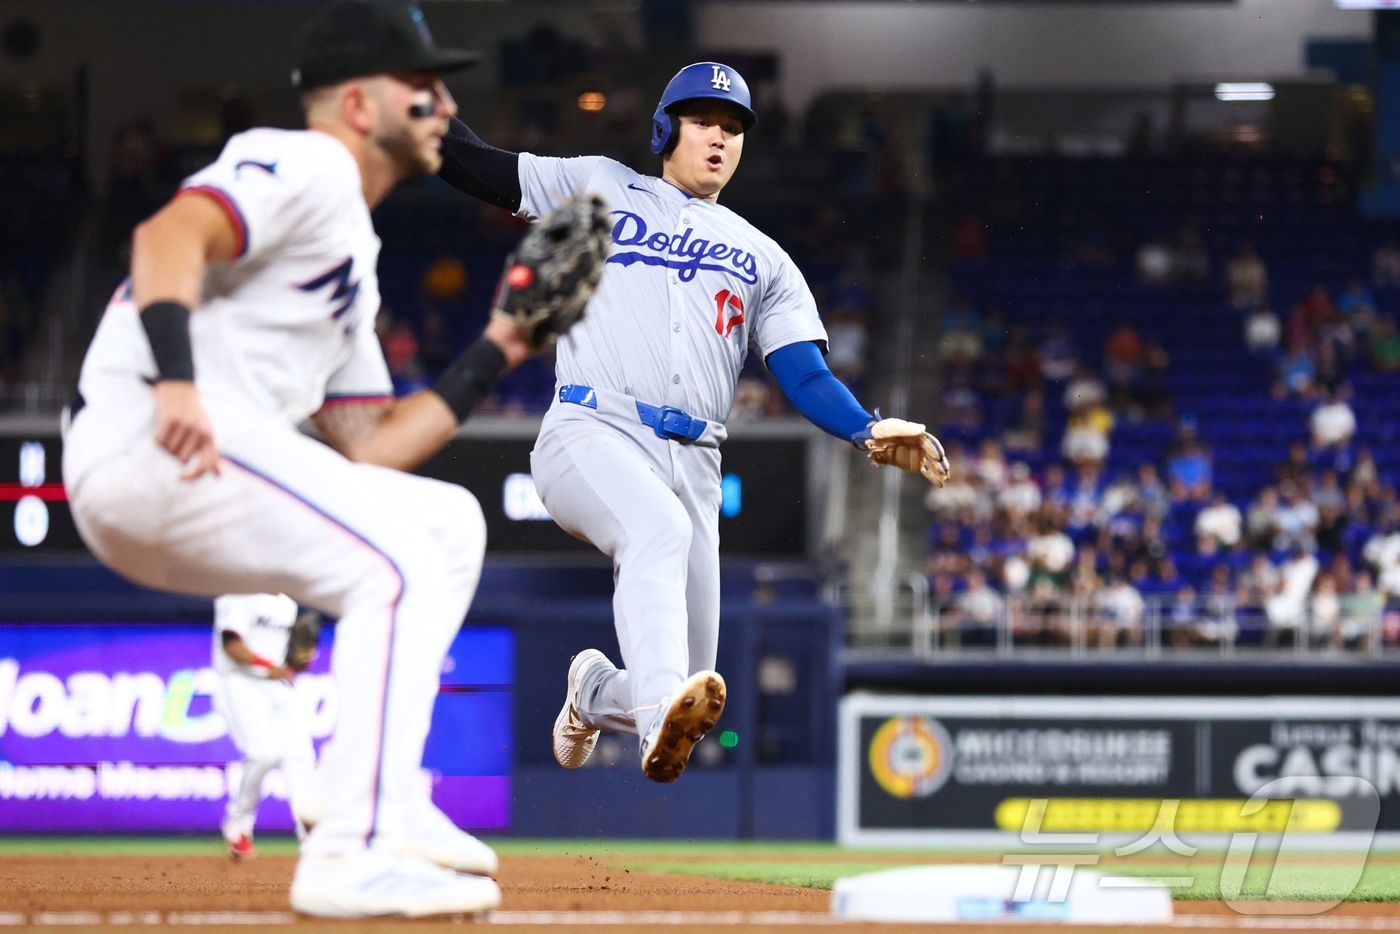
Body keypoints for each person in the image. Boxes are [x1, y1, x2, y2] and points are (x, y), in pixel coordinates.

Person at [61, 0, 604, 918]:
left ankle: (385, 806)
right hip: (153, 440)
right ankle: (348, 853)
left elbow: (375, 451)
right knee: (393, 568)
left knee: (442, 523)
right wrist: (177, 379)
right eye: (421, 85)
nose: (441, 104)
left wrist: (502, 346)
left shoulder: (353, 257)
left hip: (185, 474)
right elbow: (167, 236)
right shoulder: (307, 163)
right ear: (358, 103)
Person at [433, 61, 950, 783]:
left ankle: (593, 693)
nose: (720, 136)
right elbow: (474, 166)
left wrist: (864, 428)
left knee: (690, 687)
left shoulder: (764, 256)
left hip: (695, 463)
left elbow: (800, 370)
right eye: (705, 119)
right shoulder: (602, 185)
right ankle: (647, 719)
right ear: (665, 128)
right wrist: (417, 99)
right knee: (658, 541)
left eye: (734, 126)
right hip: (592, 429)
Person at [213, 593, 315, 862]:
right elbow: (231, 645)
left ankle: (312, 841)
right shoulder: (240, 592)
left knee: (300, 758)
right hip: (239, 682)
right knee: (263, 753)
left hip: (278, 685)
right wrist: (270, 666)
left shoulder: (288, 601)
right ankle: (237, 827)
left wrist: (300, 660)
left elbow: (287, 654)